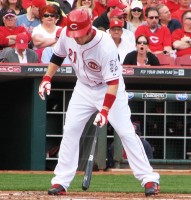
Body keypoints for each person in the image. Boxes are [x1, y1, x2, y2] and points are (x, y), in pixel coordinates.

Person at [38, 8, 160, 197]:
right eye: (74, 33)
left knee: (126, 132)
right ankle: (61, 182)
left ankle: (149, 178)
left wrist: (104, 111)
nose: (76, 38)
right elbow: (58, 56)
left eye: (79, 33)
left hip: (109, 88)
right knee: (70, 130)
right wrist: (47, 78)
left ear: (88, 28)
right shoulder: (67, 34)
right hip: (83, 88)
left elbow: (112, 83)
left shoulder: (105, 45)